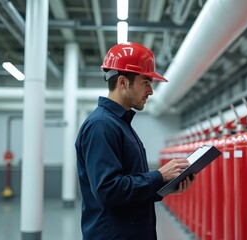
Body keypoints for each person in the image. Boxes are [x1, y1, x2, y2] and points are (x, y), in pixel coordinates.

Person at [75, 42, 193, 240]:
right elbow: (108, 191)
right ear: (122, 82)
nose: (151, 91)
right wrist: (158, 176)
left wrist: (164, 189)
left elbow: (129, 186)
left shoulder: (120, 124)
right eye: (146, 82)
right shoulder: (102, 126)